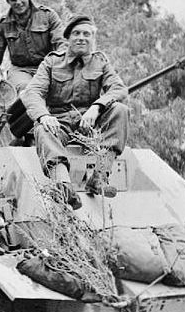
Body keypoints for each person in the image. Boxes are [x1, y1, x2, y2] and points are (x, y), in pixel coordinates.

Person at [21, 15, 129, 210]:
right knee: (42, 129)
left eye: (86, 34)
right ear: (68, 38)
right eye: (76, 33)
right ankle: (63, 186)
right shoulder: (52, 62)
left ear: (93, 39)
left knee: (120, 110)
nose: (81, 38)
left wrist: (97, 107)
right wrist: (44, 116)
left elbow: (118, 89)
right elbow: (32, 92)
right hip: (59, 124)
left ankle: (99, 177)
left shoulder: (100, 63)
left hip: (89, 126)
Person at [0, 0, 67, 92]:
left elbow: (62, 44)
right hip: (20, 70)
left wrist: (59, 67)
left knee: (58, 89)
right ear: (8, 1)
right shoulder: (4, 24)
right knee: (26, 89)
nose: (18, 2)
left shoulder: (48, 16)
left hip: (48, 67)